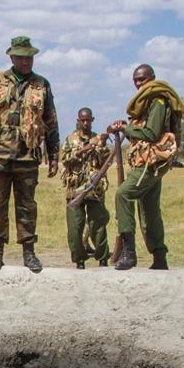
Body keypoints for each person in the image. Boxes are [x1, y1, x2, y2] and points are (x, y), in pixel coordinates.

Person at [0, 36, 60, 273]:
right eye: (21, 57)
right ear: (12, 57)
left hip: (27, 156)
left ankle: (29, 252)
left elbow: (51, 121)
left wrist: (54, 155)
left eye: (29, 57)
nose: (26, 62)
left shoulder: (42, 84)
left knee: (26, 206)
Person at [107, 63, 184, 271]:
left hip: (151, 161)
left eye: (142, 79)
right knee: (149, 210)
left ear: (152, 77)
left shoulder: (157, 100)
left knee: (123, 194)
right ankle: (160, 258)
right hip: (145, 161)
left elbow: (151, 134)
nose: (139, 83)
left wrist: (127, 128)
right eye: (136, 80)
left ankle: (129, 253)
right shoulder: (147, 101)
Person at [59, 108, 112, 268]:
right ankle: (79, 259)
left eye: (88, 120)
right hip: (75, 188)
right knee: (75, 227)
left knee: (98, 225)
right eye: (83, 120)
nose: (86, 123)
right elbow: (64, 160)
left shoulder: (98, 139)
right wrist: (83, 150)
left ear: (92, 119)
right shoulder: (70, 139)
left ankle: (103, 258)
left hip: (94, 189)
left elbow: (106, 161)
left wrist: (101, 146)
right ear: (78, 120)